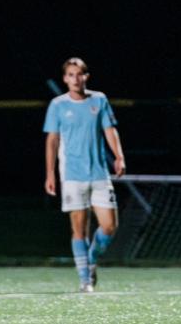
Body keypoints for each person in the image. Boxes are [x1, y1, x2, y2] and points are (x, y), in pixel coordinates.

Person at [44, 57, 126, 292]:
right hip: (72, 176)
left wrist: (119, 156)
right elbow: (52, 140)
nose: (75, 79)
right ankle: (85, 279)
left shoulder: (99, 100)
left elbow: (109, 130)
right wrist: (50, 173)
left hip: (99, 173)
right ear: (65, 78)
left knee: (109, 226)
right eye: (70, 74)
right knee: (79, 229)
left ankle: (91, 258)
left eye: (79, 74)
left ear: (86, 77)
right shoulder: (58, 105)